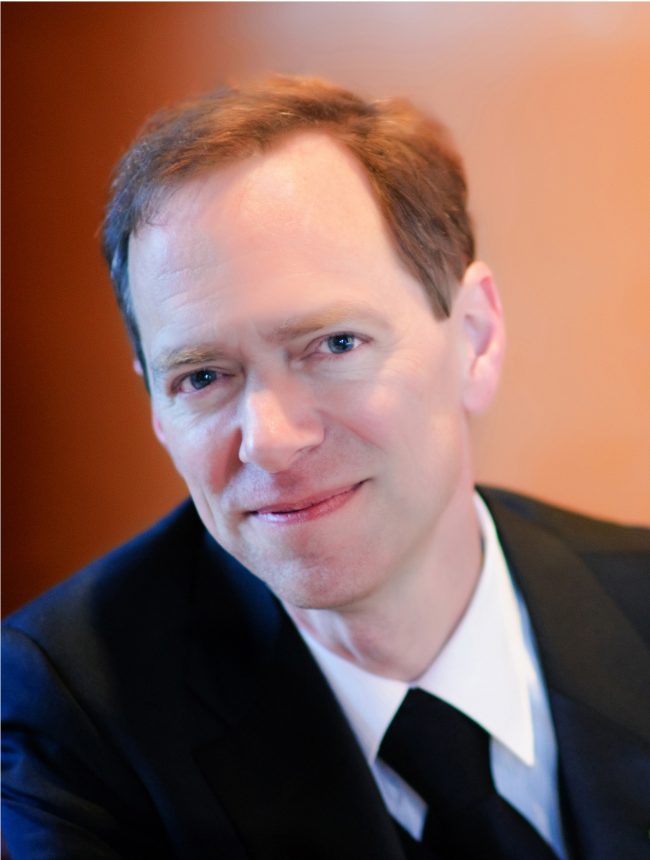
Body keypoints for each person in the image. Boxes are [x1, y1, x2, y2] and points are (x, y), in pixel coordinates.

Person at [2, 76, 648, 860]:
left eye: (334, 345)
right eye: (202, 377)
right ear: (156, 409)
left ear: (475, 339)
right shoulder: (74, 716)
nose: (270, 439)